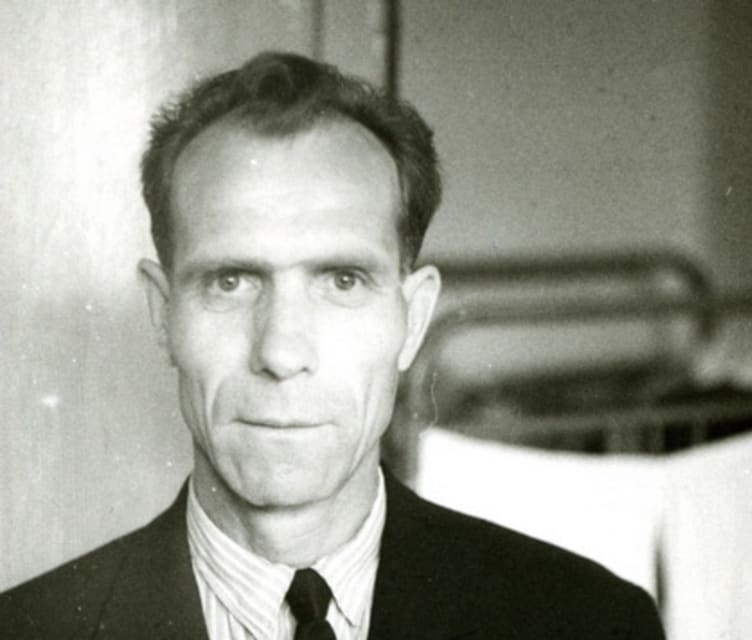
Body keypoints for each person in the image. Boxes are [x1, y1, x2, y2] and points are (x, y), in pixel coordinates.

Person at [0, 50, 666, 639]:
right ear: (162, 312)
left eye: (343, 281)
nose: (281, 352)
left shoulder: (590, 625)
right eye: (231, 281)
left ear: (413, 319)